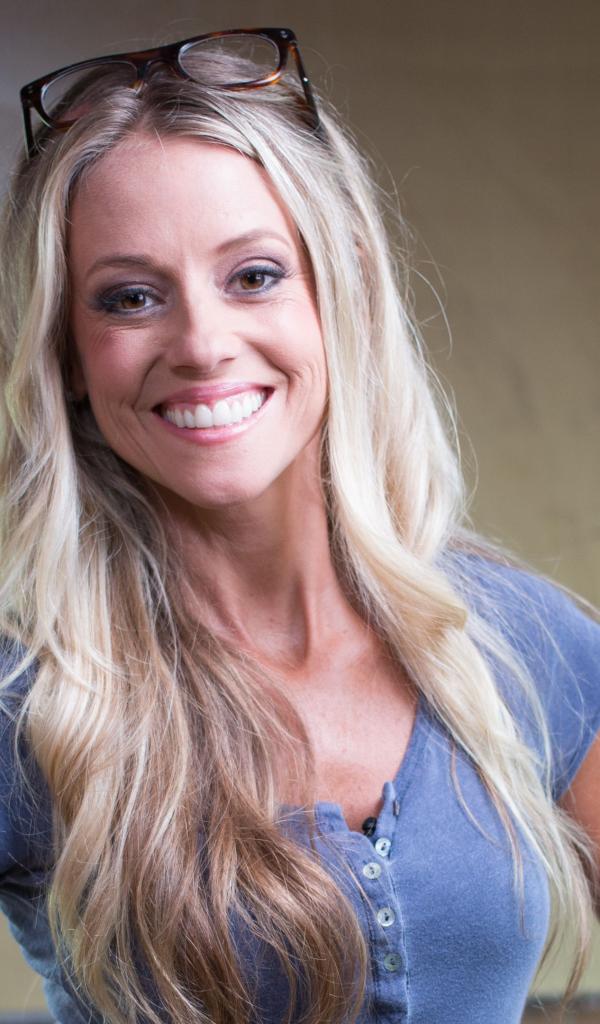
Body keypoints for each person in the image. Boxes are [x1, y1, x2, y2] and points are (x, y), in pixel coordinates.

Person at [0, 26, 598, 1024]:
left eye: (254, 276)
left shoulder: (523, 641)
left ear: (343, 285)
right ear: (66, 351)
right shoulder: (30, 707)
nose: (202, 344)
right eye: (131, 298)